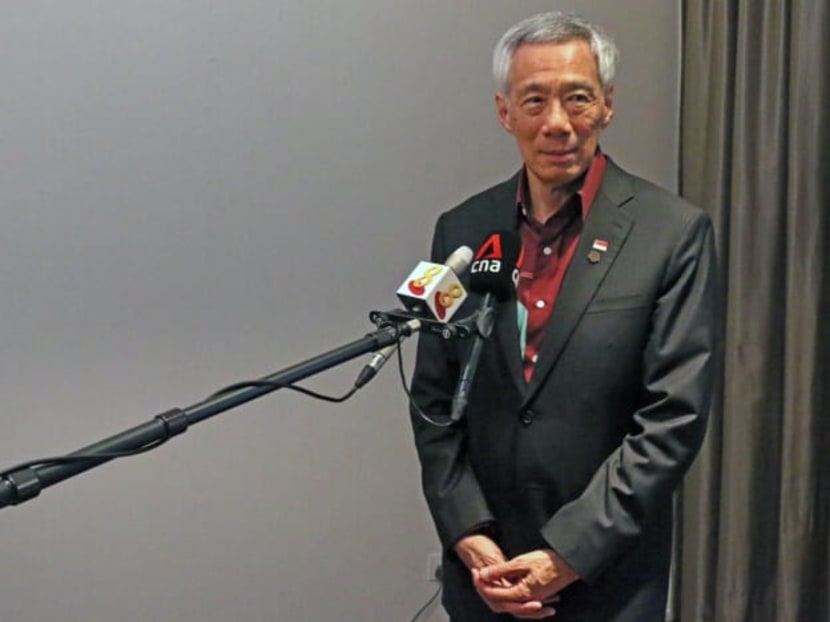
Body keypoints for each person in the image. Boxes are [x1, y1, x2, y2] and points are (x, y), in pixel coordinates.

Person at [408, 11, 719, 622]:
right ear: (505, 113)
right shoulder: (465, 230)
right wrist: (468, 532)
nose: (557, 124)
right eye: (534, 100)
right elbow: (434, 401)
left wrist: (566, 554)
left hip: (607, 579)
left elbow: (672, 417)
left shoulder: (671, 233)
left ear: (607, 104)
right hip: (484, 575)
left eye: (577, 99)